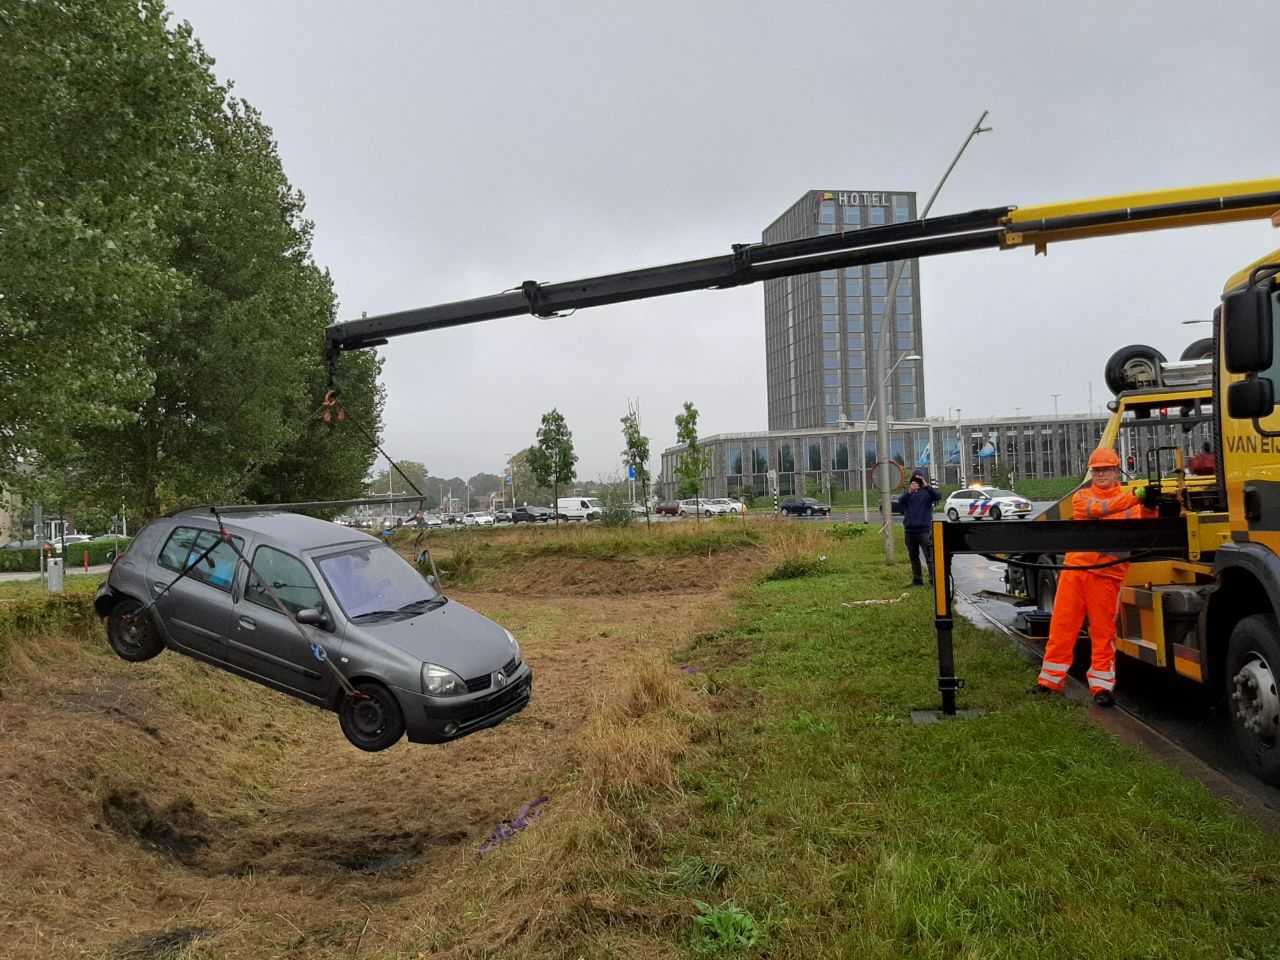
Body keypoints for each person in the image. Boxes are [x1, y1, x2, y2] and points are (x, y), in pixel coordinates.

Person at [1033, 447, 1156, 707]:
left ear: (1115, 471)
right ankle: (1049, 682)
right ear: (1092, 472)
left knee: (1104, 633)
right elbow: (1099, 509)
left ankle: (1101, 688)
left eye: (1105, 469)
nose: (1100, 474)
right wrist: (1136, 497)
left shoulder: (1128, 501)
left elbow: (1145, 526)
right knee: (1062, 628)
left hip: (1107, 575)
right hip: (1076, 572)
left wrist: (1150, 505)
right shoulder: (1083, 497)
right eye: (1097, 470)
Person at [896, 471, 941, 588]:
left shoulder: (927, 492)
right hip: (909, 530)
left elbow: (938, 496)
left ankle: (934, 581)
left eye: (919, 479)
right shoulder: (908, 493)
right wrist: (909, 492)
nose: (917, 482)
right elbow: (900, 502)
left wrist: (926, 485)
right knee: (913, 557)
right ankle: (917, 580)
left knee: (929, 557)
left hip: (924, 530)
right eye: (914, 480)